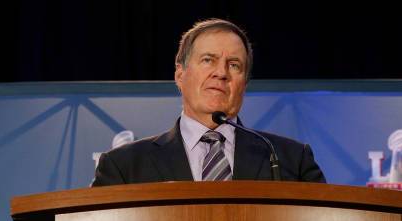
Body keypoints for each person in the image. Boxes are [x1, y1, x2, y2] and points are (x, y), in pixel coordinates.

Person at [92, 18, 325, 186]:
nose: (221, 73)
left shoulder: (291, 160)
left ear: (244, 83)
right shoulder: (124, 167)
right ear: (180, 74)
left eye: (234, 65)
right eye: (208, 60)